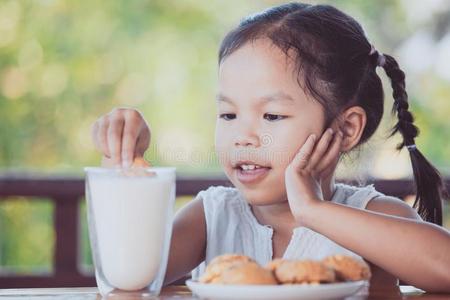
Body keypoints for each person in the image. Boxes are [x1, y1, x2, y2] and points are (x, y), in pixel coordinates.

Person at [91, 3, 450, 292]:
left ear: (346, 128)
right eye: (228, 114)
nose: (242, 136)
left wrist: (313, 210)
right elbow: (129, 275)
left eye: (273, 116)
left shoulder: (373, 216)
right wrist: (120, 160)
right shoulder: (213, 216)